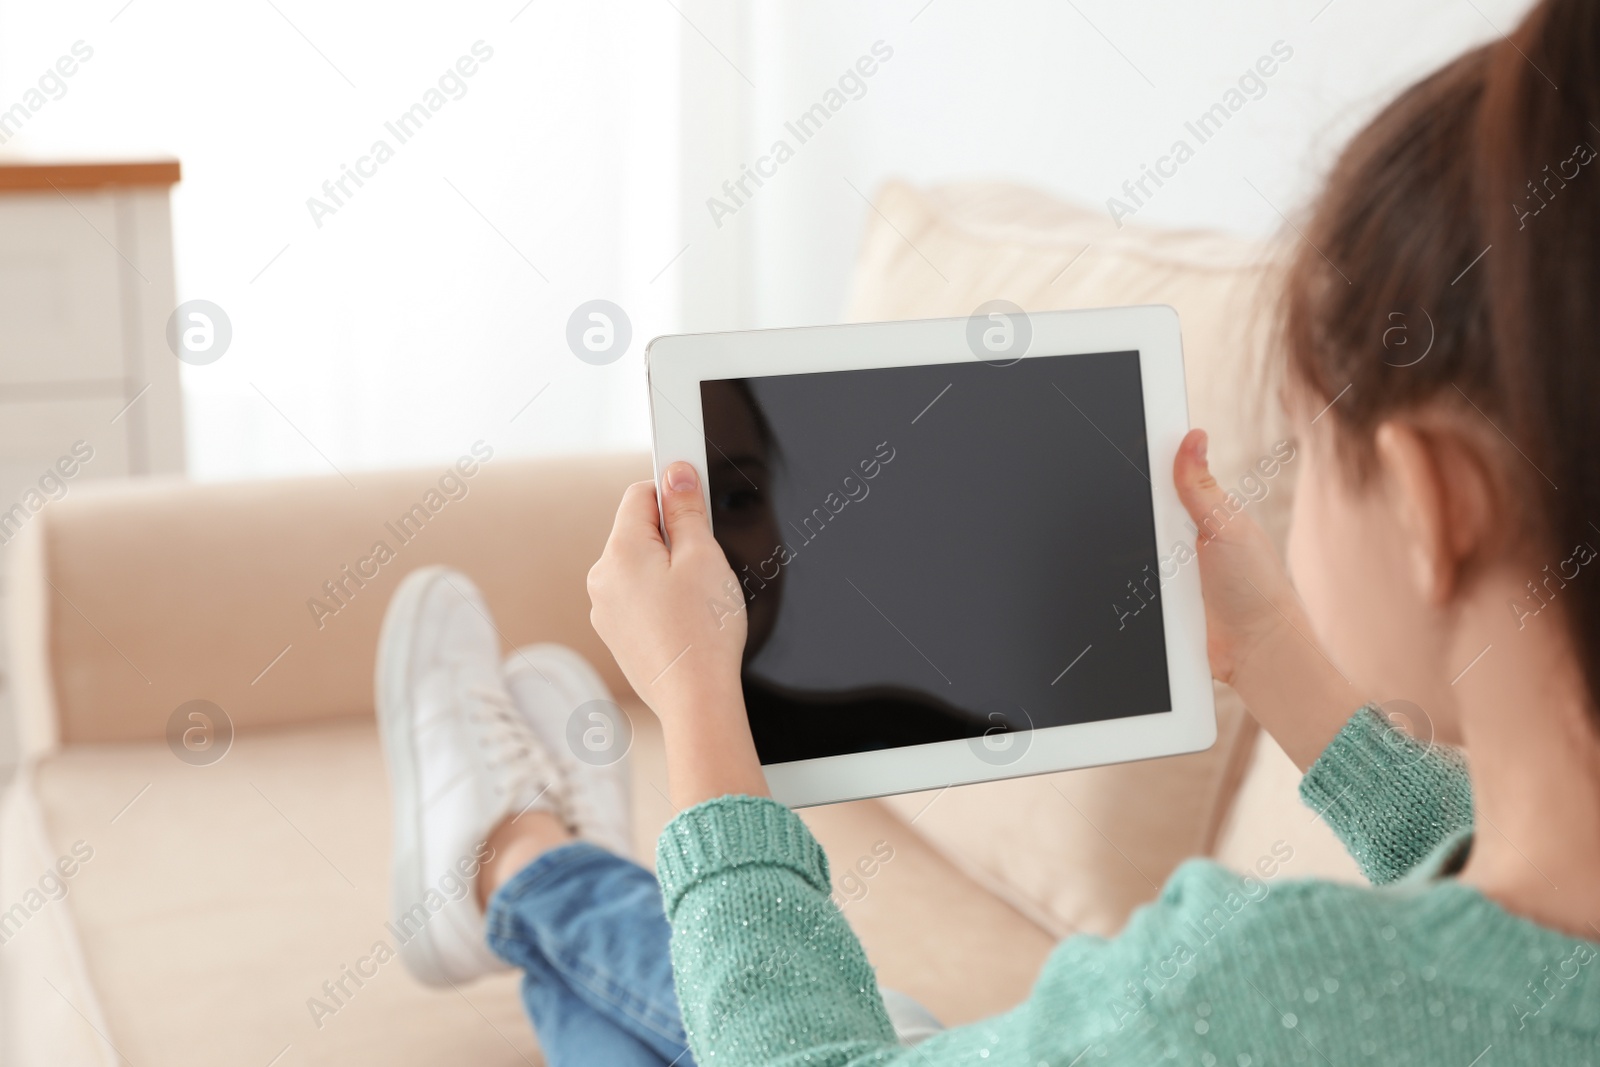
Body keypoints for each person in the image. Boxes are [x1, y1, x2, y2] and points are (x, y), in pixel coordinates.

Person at [373, 1, 1600, 1062]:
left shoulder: (1242, 988)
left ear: (1437, 502)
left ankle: (519, 858)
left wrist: (698, 695)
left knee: (863, 1025)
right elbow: (1491, 882)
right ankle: (528, 865)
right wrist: (1273, 648)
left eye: (1313, 433)